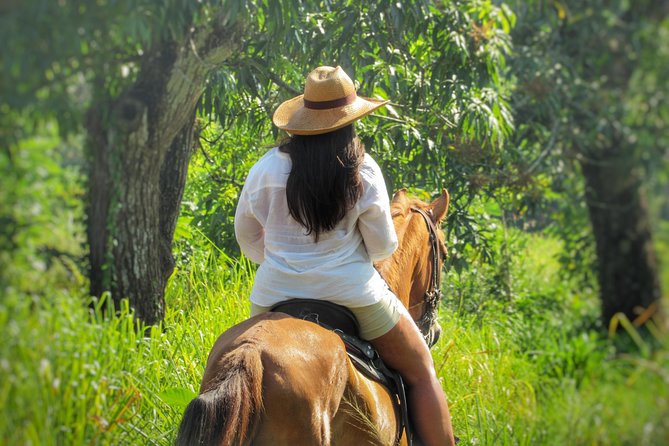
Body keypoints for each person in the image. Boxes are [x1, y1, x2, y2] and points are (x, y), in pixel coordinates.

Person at [234, 65, 456, 446]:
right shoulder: (363, 170)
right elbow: (385, 247)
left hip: (273, 295)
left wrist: (283, 261)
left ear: (300, 120)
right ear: (350, 120)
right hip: (354, 296)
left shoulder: (265, 168)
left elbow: (247, 238)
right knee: (421, 370)